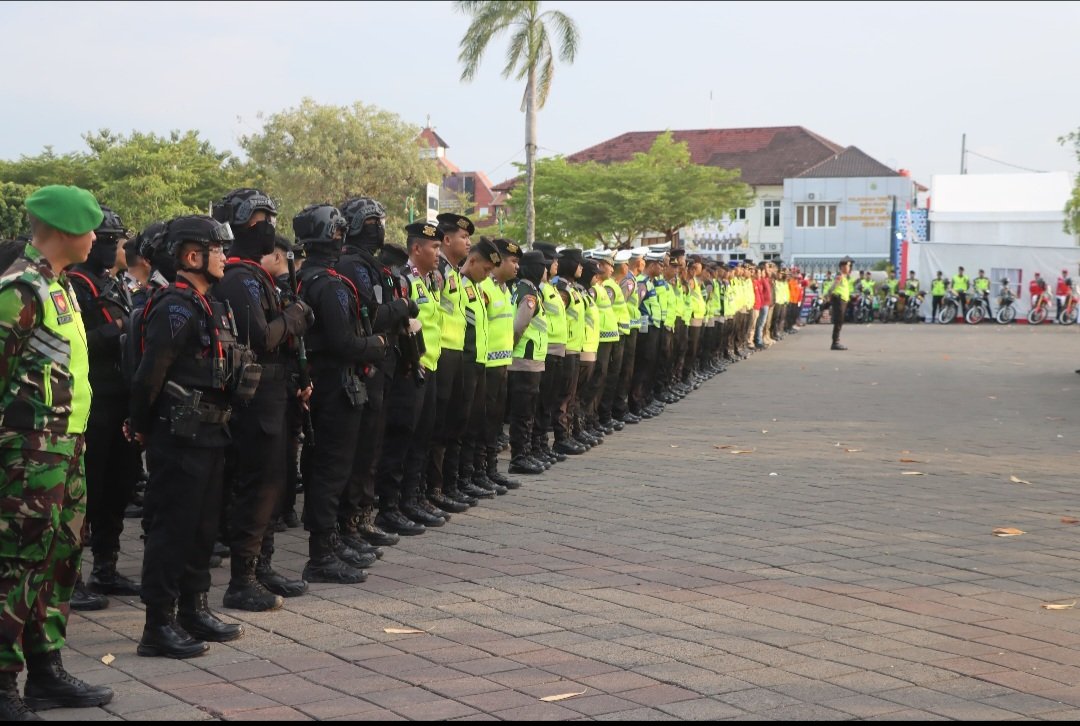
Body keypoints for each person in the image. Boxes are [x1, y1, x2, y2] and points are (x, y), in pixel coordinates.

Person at [0, 185, 115, 718]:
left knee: (59, 559)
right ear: (67, 232)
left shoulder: (61, 287)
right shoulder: (18, 292)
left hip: (65, 449)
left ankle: (45, 670)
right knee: (16, 565)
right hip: (27, 454)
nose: (98, 238)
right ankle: (2, 685)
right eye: (91, 228)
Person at [131, 215, 254, 659]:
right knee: (172, 530)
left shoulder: (212, 305)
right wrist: (141, 424)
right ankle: (157, 624)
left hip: (211, 432)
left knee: (202, 529)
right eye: (216, 249)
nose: (224, 256)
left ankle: (194, 608)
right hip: (178, 437)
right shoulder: (175, 306)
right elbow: (150, 375)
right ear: (191, 256)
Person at [211, 189, 313, 611]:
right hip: (255, 398)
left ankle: (263, 566)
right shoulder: (238, 278)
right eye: (259, 218)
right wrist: (292, 317)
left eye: (272, 216)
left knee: (274, 484)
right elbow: (261, 337)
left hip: (277, 393)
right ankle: (243, 579)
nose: (268, 225)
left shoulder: (257, 277)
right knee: (257, 485)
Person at [294, 205, 386, 583]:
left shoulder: (308, 278)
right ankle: (321, 555)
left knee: (328, 469)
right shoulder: (329, 285)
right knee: (331, 471)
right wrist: (377, 345)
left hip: (326, 384)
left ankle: (332, 542)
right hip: (336, 386)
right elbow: (343, 341)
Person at [66, 206, 141, 609]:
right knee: (85, 493)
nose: (112, 247)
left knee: (119, 486)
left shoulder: (114, 284)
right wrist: (114, 331)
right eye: (107, 239)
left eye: (116, 240)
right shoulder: (74, 284)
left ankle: (106, 568)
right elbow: (74, 342)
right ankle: (71, 576)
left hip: (120, 397)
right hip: (92, 400)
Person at [335, 197, 410, 551]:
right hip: (363, 366)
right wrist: (401, 308)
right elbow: (370, 314)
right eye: (373, 222)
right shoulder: (351, 265)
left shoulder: (372, 265)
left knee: (372, 448)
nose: (380, 228)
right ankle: (348, 525)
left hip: (383, 363)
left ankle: (364, 516)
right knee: (359, 451)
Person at [508, 251, 549, 474]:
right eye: (542, 266)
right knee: (523, 412)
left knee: (527, 410)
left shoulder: (529, 290)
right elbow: (518, 326)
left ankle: (526, 453)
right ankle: (519, 457)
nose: (546, 270)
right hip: (524, 359)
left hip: (530, 360)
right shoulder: (528, 293)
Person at [829, 256, 854, 350]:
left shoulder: (845, 277)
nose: (850, 268)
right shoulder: (840, 276)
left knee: (840, 321)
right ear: (843, 267)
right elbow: (833, 286)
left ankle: (836, 341)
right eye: (848, 266)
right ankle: (835, 342)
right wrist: (828, 295)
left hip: (842, 300)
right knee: (838, 321)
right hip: (839, 300)